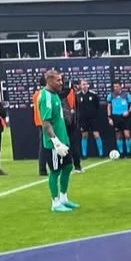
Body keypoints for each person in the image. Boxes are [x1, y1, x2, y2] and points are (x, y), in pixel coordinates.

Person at [38, 69, 79, 212]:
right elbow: (46, 123)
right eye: (58, 80)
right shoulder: (46, 97)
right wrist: (56, 142)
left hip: (63, 139)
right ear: (49, 81)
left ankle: (63, 198)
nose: (61, 83)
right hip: (54, 143)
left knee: (68, 167)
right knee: (55, 171)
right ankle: (55, 203)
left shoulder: (55, 95)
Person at [76, 79, 105, 159]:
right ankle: (84, 155)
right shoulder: (77, 95)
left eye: (86, 84)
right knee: (84, 136)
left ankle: (101, 154)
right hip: (83, 119)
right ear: (80, 86)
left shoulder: (93, 94)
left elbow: (97, 106)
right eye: (83, 84)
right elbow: (76, 107)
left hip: (93, 119)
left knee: (96, 135)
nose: (84, 86)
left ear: (88, 85)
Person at [107, 83, 131, 157]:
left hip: (125, 117)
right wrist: (109, 118)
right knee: (118, 135)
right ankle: (121, 153)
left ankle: (128, 152)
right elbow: (108, 106)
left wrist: (128, 111)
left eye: (117, 86)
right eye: (114, 86)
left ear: (120, 86)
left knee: (127, 135)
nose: (115, 88)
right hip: (115, 117)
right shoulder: (111, 96)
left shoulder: (126, 95)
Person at [31, 76, 49, 176]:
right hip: (44, 122)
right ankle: (43, 169)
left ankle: (43, 168)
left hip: (39, 122)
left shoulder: (36, 94)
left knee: (43, 146)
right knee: (45, 146)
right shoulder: (44, 94)